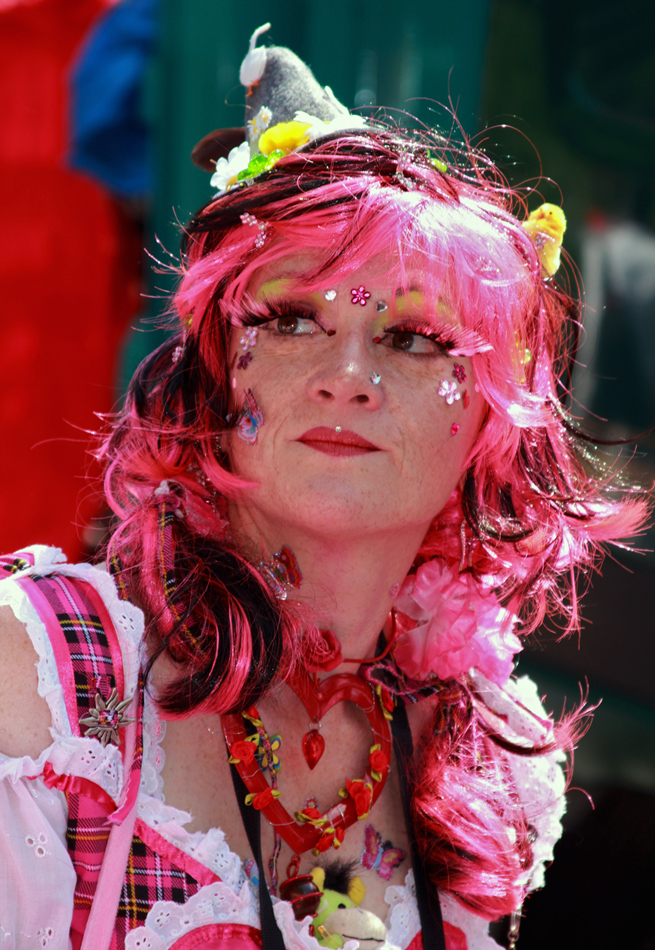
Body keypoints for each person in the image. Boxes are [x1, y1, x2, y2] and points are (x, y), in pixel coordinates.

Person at [0, 25, 647, 950]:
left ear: (491, 423)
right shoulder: (48, 680)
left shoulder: (484, 751)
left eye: (414, 339)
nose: (348, 375)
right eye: (292, 318)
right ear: (218, 375)